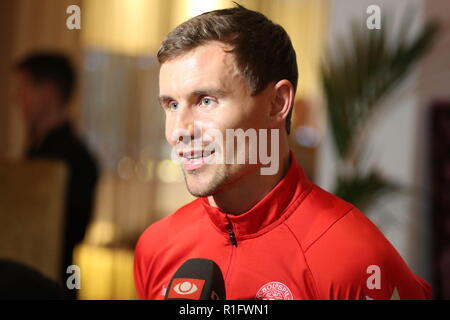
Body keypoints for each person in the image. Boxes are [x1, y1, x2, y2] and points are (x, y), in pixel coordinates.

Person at [134, 5, 432, 300]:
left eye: (206, 101)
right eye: (172, 105)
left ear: (277, 103)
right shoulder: (156, 247)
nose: (178, 131)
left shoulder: (356, 260)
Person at [13, 52, 99, 299]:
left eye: (24, 88)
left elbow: (67, 234)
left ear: (49, 92)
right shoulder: (36, 150)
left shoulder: (75, 160)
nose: (16, 98)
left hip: (46, 285)